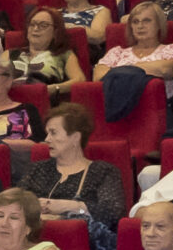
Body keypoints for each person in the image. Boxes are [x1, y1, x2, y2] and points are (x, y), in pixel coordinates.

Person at [14, 103, 126, 241]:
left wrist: (70, 207)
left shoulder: (103, 171)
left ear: (75, 137)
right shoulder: (37, 169)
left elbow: (113, 213)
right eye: (47, 133)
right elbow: (13, 202)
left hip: (81, 243)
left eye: (53, 133)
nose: (47, 139)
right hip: (36, 240)